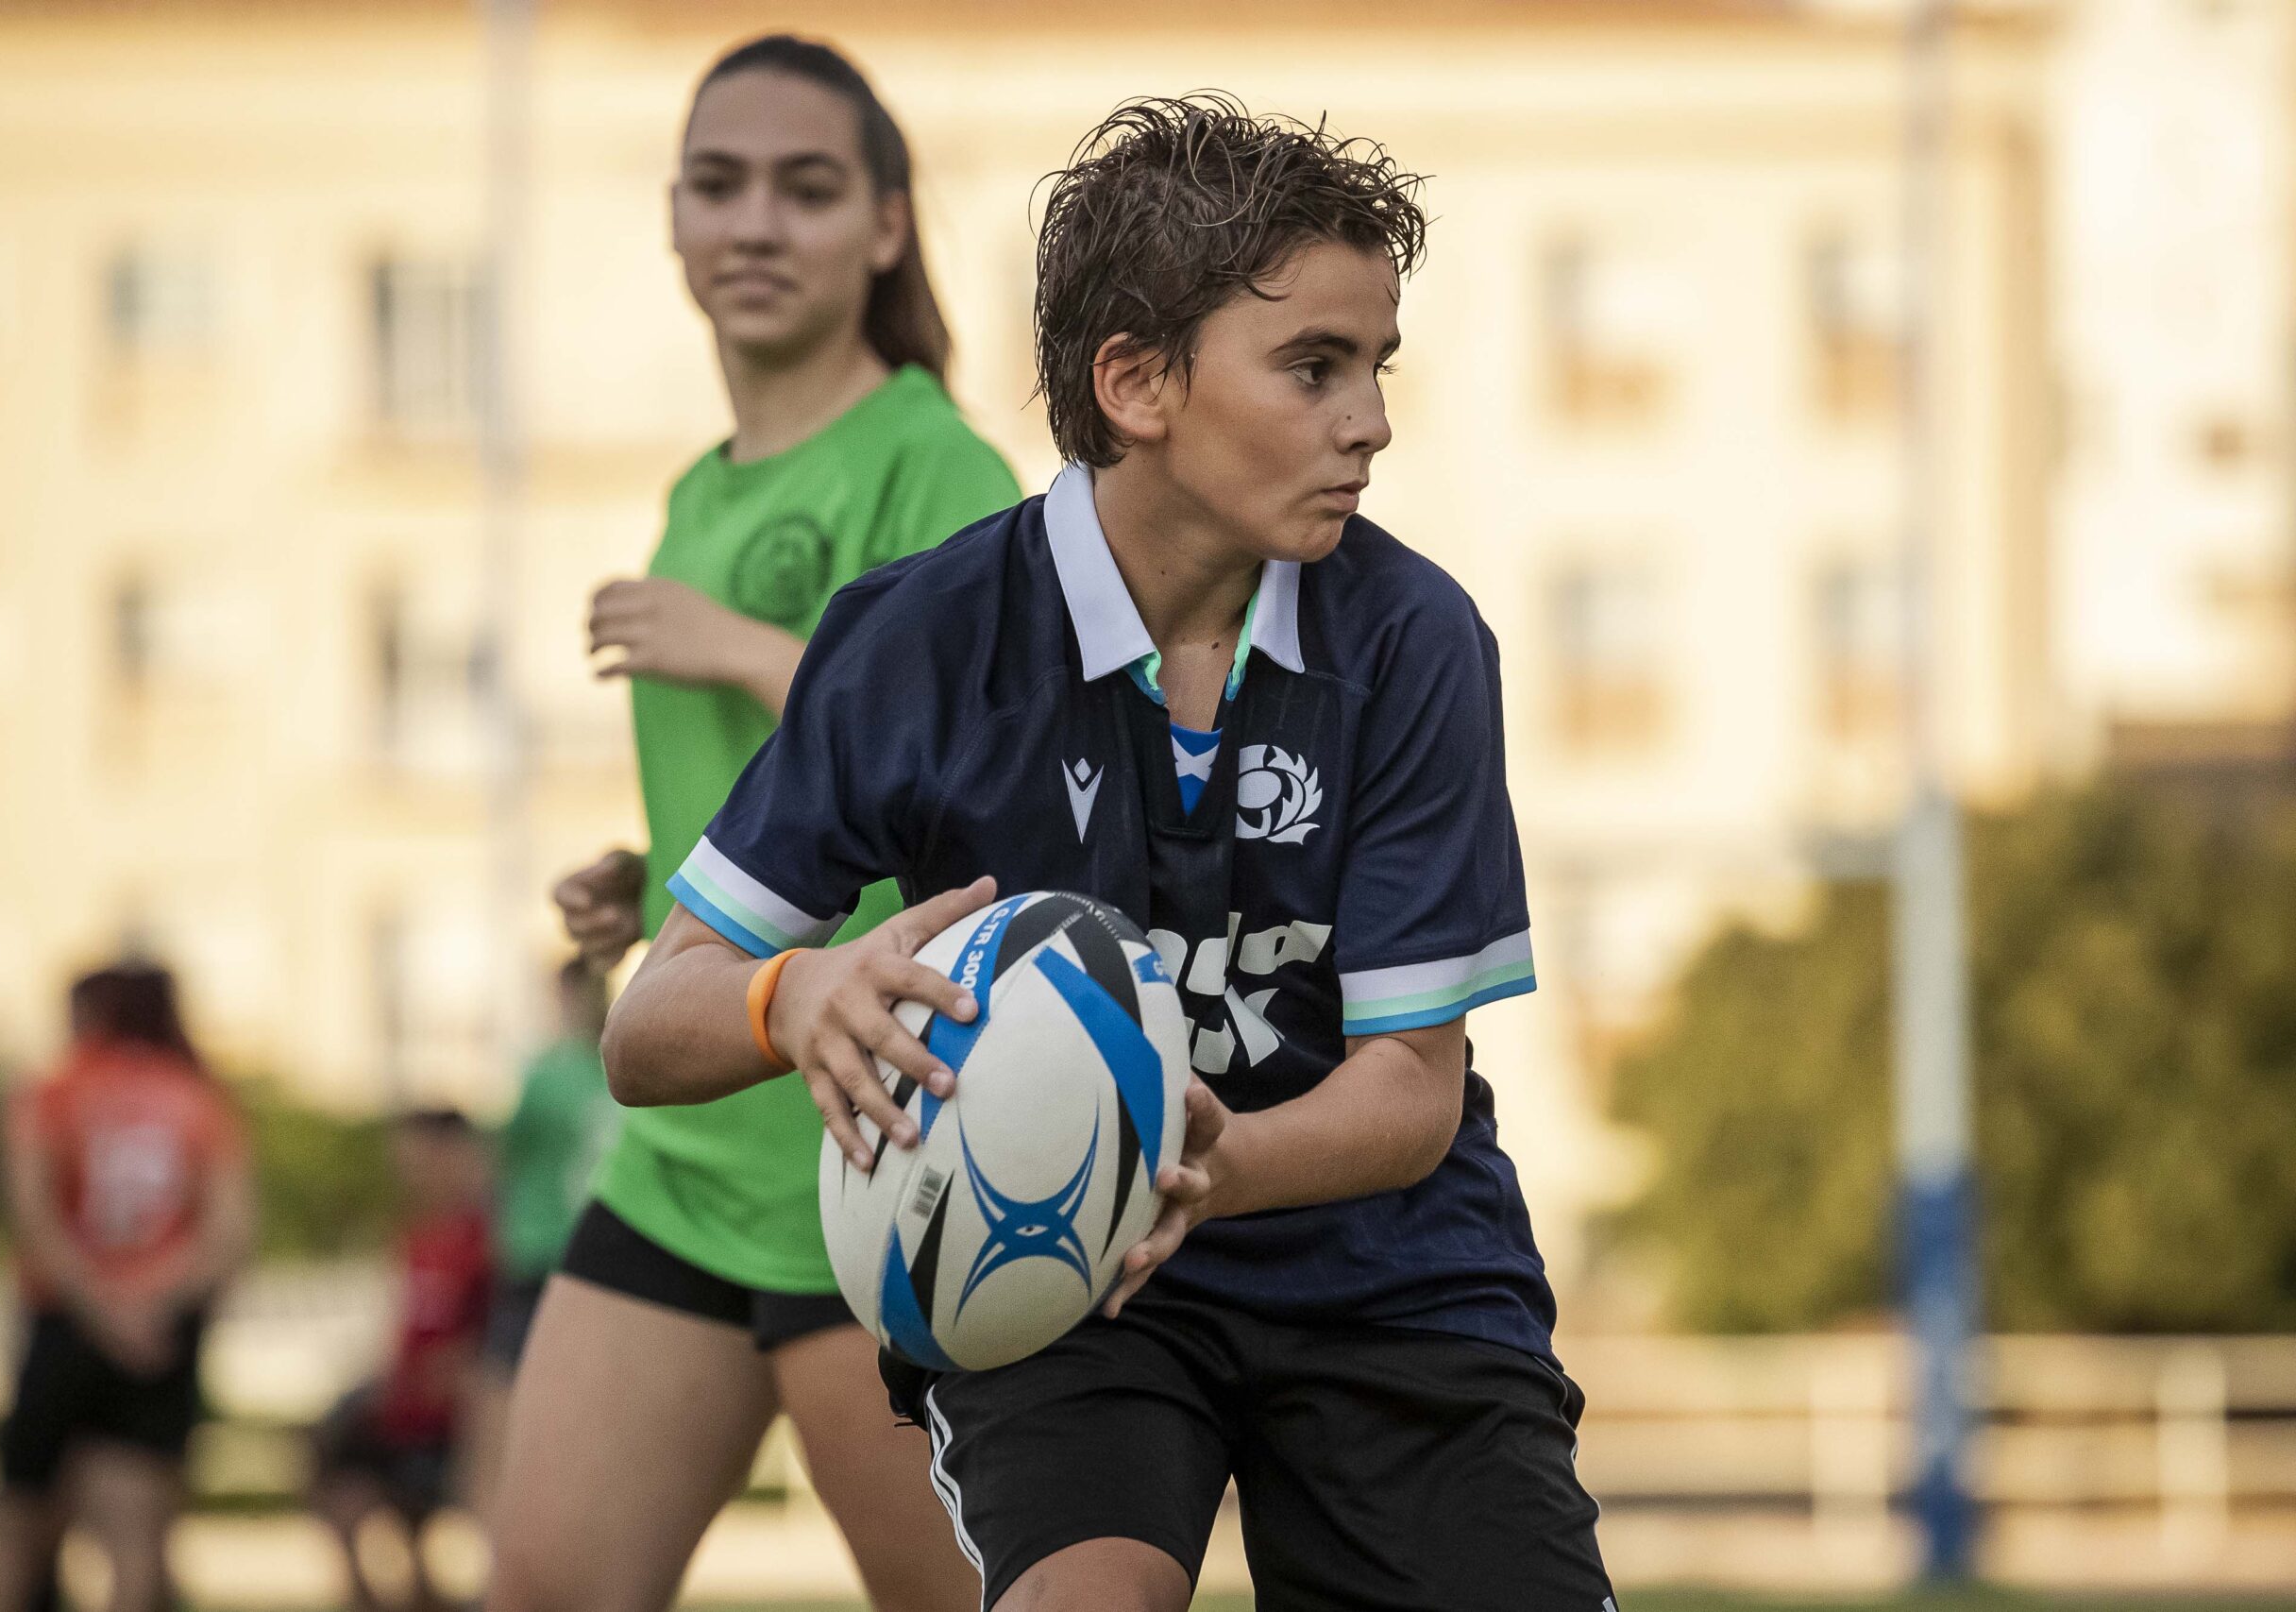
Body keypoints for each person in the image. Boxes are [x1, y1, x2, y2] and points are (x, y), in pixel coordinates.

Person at [602, 95, 1617, 1612]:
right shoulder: (919, 638)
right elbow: (644, 1026)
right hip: (1058, 1286)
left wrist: (1189, 1162)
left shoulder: (1412, 642)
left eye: (1376, 366)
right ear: (1136, 383)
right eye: (1314, 367)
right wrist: (792, 995)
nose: (1372, 420)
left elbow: (1409, 1093)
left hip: (1389, 1273)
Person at [486, 33, 1018, 1612]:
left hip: (879, 1167)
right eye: (718, 186)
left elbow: (982, 769)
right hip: (676, 1163)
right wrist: (641, 872)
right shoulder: (699, 491)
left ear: (884, 224)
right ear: (672, 222)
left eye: (805, 187)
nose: (755, 224)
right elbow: (768, 829)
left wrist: (729, 641)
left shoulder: (938, 463)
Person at [0, 963, 257, 1612]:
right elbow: (228, 1229)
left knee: (14, 1526)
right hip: (162, 1330)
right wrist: (150, 1303)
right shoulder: (198, 1095)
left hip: (65, 1319)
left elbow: (33, 1215)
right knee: (137, 1537)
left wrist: (100, 1305)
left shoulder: (51, 1091)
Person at [309, 1110, 492, 1612]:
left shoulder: (491, 1240)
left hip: (455, 1419)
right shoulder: (416, 1236)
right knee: (330, 1454)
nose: (408, 1173)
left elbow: (492, 1345)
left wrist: (449, 1376)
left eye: (418, 1158)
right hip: (404, 1408)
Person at [464, 960, 620, 1519]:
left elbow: (495, 1164)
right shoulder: (582, 1070)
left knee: (520, 1417)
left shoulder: (567, 1072)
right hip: (567, 1261)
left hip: (562, 1261)